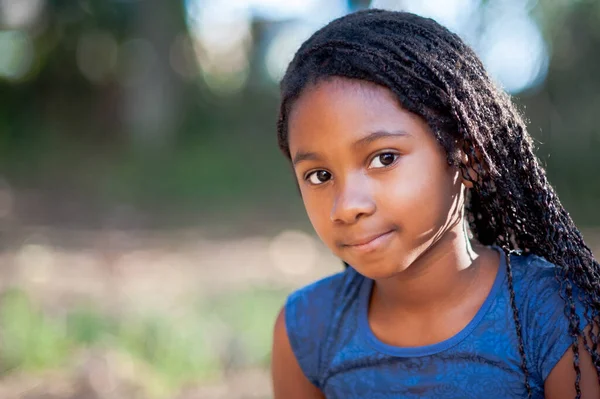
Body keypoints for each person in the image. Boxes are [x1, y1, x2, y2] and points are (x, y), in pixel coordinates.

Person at [270, 9, 600, 399]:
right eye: (320, 176)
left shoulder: (554, 317)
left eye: (384, 158)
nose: (346, 207)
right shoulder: (307, 331)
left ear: (469, 157)